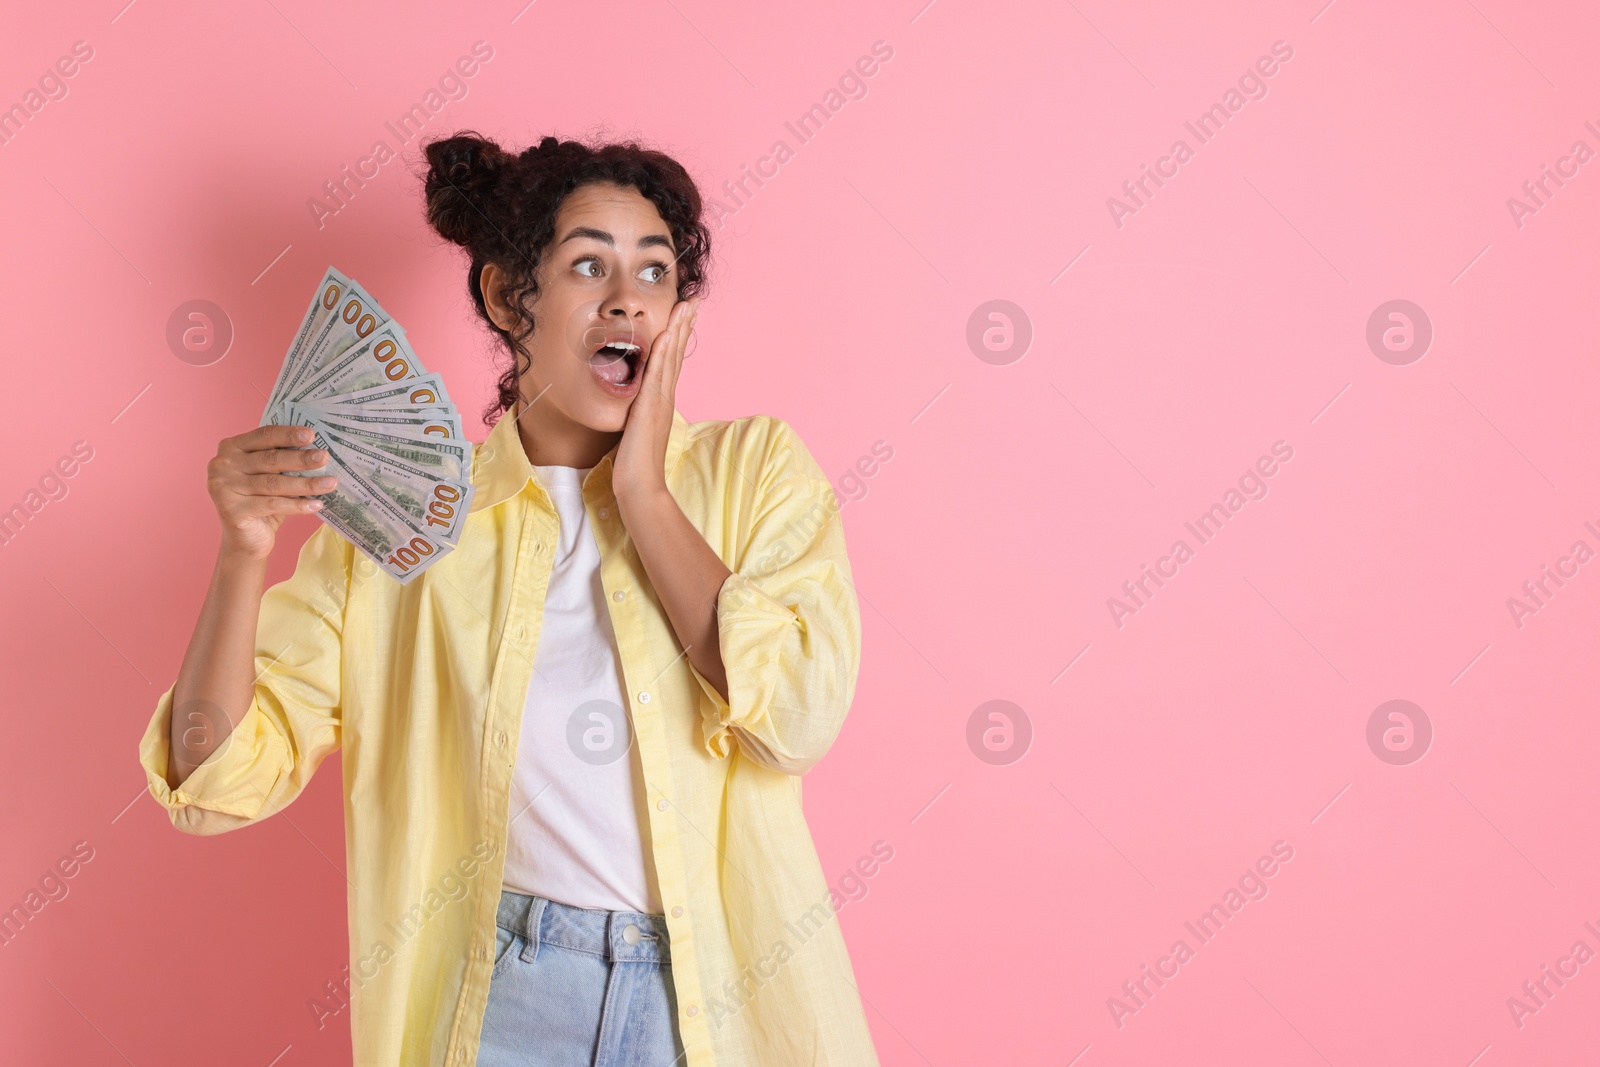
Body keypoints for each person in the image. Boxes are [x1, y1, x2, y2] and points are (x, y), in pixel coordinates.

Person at [136, 131, 881, 1066]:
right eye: (587, 265)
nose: (627, 299)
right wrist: (243, 553)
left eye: (655, 273)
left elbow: (799, 717)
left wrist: (644, 490)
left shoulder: (754, 472)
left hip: (715, 1000)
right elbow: (213, 783)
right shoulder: (400, 532)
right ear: (504, 294)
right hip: (504, 997)